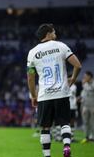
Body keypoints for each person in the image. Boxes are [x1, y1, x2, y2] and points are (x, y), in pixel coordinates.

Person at [27, 24, 82, 157]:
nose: (55, 34)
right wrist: (73, 79)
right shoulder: (61, 46)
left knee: (45, 127)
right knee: (64, 122)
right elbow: (78, 65)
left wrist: (34, 96)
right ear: (48, 34)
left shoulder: (32, 52)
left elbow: (30, 77)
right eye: (53, 32)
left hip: (44, 95)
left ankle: (47, 155)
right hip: (61, 92)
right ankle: (67, 146)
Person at [79, 71, 94, 143]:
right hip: (85, 105)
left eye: (86, 76)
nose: (84, 78)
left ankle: (92, 137)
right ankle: (86, 136)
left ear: (90, 76)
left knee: (92, 122)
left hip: (92, 105)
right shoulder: (85, 84)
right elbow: (84, 94)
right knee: (85, 121)